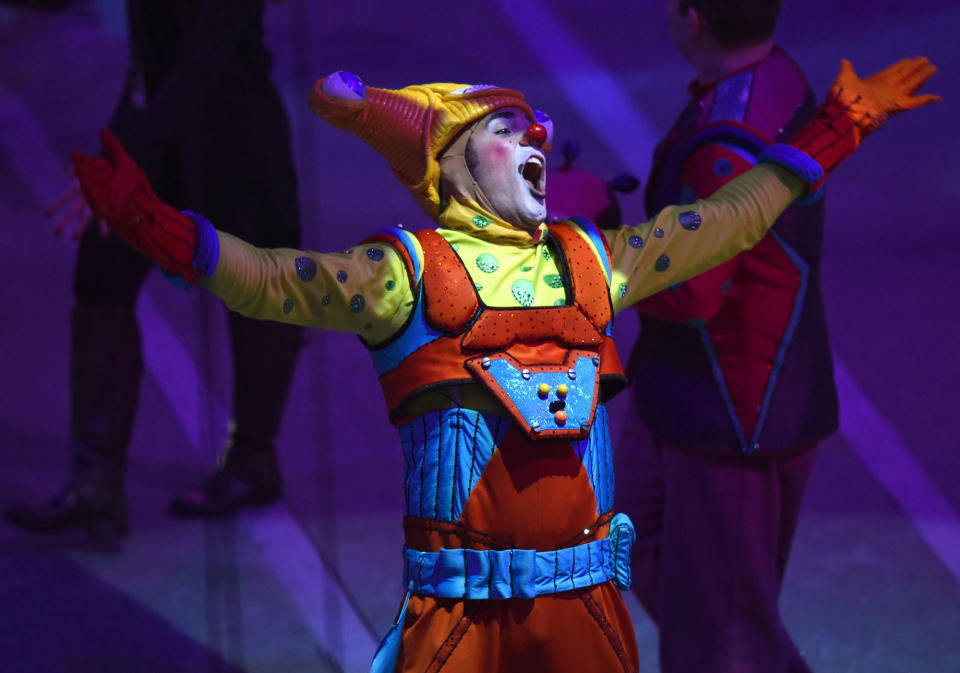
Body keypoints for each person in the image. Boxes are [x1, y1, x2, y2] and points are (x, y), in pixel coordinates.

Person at [68, 57, 935, 671]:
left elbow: (727, 221)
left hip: (589, 615)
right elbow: (271, 283)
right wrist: (161, 230)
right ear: (449, 161)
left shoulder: (596, 261)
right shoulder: (401, 276)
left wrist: (835, 129)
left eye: (538, 126)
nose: (539, 136)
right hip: (459, 629)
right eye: (510, 126)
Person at [615, 2, 929, 671]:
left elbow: (692, 285)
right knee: (644, 559)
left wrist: (587, 260)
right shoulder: (775, 78)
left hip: (730, 415)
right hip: (683, 391)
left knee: (721, 638)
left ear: (693, 18)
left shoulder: (731, 133)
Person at [4, 0, 303, 539]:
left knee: (256, 294)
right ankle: (95, 484)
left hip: (232, 143)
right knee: (101, 273)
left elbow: (201, 64)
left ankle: (253, 459)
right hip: (157, 131)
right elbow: (149, 61)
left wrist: (125, 160)